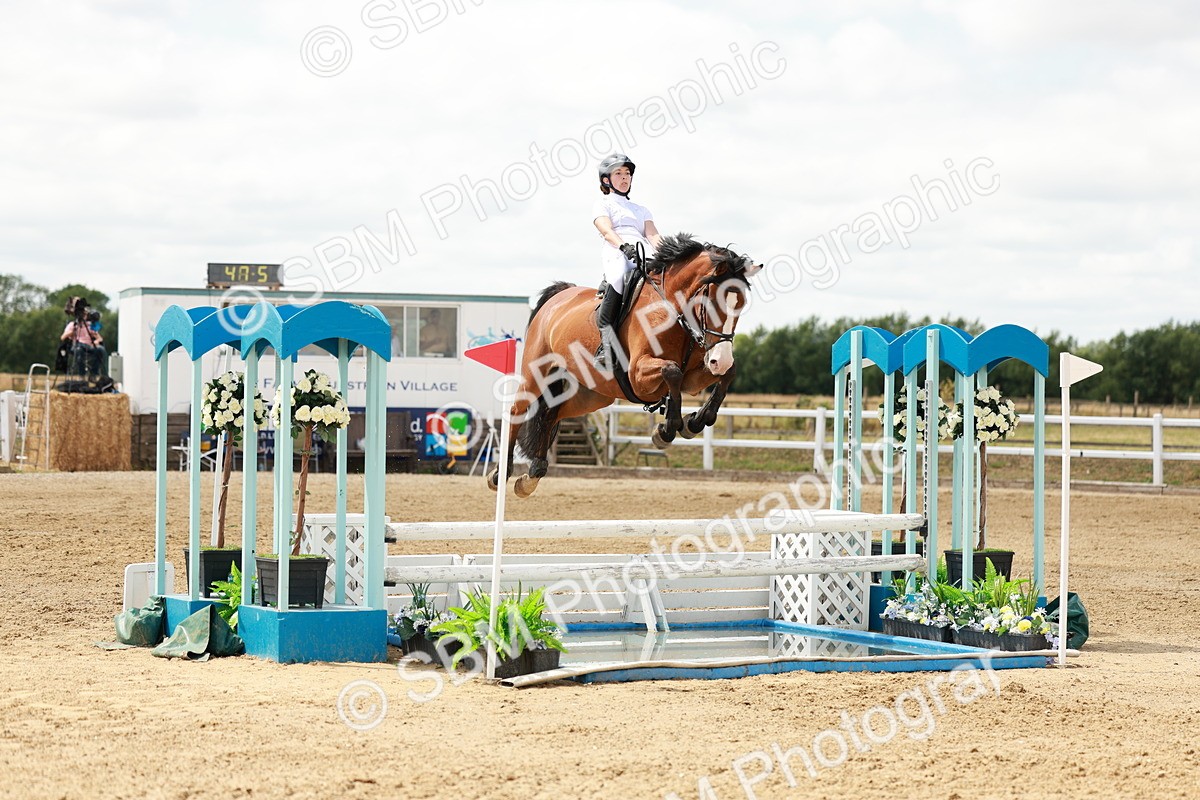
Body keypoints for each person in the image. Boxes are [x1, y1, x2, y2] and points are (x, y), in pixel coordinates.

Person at [592, 153, 663, 369]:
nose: (625, 177)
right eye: (619, 173)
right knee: (619, 277)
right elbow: (606, 230)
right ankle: (605, 346)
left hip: (642, 249)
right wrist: (624, 247)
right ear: (607, 180)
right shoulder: (603, 204)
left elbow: (652, 235)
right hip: (617, 249)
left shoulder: (641, 210)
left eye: (628, 173)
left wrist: (668, 253)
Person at [61, 312, 106, 379]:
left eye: (85, 315)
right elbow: (62, 337)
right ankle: (81, 376)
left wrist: (96, 341)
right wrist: (72, 331)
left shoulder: (90, 325)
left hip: (89, 346)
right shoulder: (72, 324)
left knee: (101, 350)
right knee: (79, 350)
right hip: (77, 345)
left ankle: (93, 374)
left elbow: (100, 338)